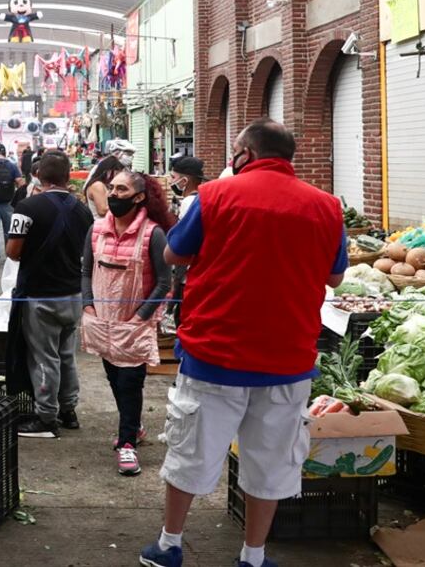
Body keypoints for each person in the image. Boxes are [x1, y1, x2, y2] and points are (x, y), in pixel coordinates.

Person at [139, 120, 347, 567]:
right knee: (270, 463)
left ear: (246, 154)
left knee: (192, 453)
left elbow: (175, 253)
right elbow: (334, 276)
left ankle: (170, 546)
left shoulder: (215, 196)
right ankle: (253, 556)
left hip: (216, 354)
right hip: (288, 359)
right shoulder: (327, 206)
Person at [81, 170, 174, 476]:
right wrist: (89, 306)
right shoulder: (96, 230)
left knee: (130, 383)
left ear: (139, 197)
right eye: (112, 188)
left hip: (134, 325)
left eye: (122, 189)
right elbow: (84, 272)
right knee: (114, 379)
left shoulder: (153, 233)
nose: (113, 193)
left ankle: (127, 444)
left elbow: (164, 282)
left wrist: (140, 317)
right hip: (102, 322)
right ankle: (134, 427)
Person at [6, 152, 93, 438]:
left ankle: (46, 417)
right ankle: (69, 409)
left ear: (38, 175)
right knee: (66, 354)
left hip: (40, 295)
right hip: (73, 294)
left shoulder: (27, 206)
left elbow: (12, 252)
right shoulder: (83, 210)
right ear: (69, 176)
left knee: (43, 357)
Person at [166, 156, 207, 328]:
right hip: (196, 274)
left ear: (185, 180)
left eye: (174, 178)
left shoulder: (190, 202)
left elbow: (181, 242)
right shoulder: (202, 199)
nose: (171, 182)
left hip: (187, 275)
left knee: (181, 320)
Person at [84, 155, 125, 220]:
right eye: (116, 173)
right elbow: (102, 211)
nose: (117, 177)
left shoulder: (105, 185)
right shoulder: (98, 185)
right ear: (108, 171)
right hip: (100, 225)